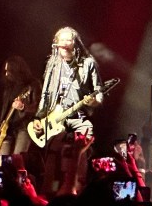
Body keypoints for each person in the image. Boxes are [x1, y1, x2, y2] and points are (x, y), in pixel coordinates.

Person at [32, 27, 105, 195]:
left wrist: (94, 101)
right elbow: (46, 93)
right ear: (56, 43)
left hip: (79, 116)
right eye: (61, 40)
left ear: (75, 43)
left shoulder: (88, 63)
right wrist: (39, 117)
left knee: (81, 147)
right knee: (52, 153)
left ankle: (76, 190)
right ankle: (47, 191)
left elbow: (99, 92)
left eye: (68, 40)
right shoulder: (53, 63)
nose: (64, 43)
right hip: (55, 116)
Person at [0, 55, 41, 163]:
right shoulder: (9, 88)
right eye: (6, 71)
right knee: (3, 162)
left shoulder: (33, 85)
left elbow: (38, 109)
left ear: (17, 70)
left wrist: (23, 107)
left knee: (17, 161)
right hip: (7, 130)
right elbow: (4, 112)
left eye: (9, 71)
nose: (6, 74)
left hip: (24, 127)